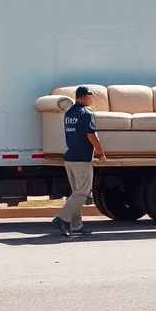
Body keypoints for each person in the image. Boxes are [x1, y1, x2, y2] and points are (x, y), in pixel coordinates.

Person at [52, 86, 105, 236]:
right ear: (84, 96)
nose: (92, 98)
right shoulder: (86, 113)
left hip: (69, 158)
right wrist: (100, 152)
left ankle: (76, 225)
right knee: (83, 191)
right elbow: (91, 135)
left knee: (76, 193)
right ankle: (62, 219)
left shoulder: (69, 113)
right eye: (90, 95)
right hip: (82, 159)